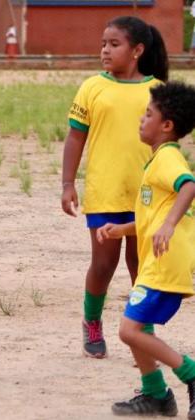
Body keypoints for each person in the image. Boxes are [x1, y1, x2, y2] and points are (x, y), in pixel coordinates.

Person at [61, 16, 168, 359]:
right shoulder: (92, 87)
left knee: (142, 266)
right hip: (105, 192)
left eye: (114, 44)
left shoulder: (157, 91)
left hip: (146, 195)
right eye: (103, 44)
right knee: (104, 265)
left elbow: (166, 146)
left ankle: (142, 330)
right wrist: (67, 183)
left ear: (137, 50)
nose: (105, 50)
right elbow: (76, 137)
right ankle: (92, 320)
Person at [96, 81, 195, 417]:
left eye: (148, 114)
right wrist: (119, 230)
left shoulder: (167, 158)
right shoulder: (155, 162)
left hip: (164, 264)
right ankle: (156, 395)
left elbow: (189, 185)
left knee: (129, 330)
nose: (141, 119)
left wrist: (168, 225)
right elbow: (148, 220)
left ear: (166, 126)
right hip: (156, 261)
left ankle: (191, 375)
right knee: (139, 328)